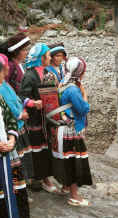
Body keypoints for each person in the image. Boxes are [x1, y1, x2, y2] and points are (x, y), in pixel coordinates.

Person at [49, 57, 92, 206]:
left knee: (66, 160)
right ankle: (74, 196)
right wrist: (85, 95)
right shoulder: (73, 89)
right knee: (74, 161)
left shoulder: (62, 84)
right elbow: (83, 109)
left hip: (61, 128)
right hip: (71, 131)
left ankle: (65, 187)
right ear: (80, 72)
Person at [20, 43, 58, 192]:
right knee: (37, 150)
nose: (50, 58)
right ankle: (41, 179)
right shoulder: (29, 75)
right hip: (34, 120)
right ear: (41, 58)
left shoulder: (47, 72)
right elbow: (21, 96)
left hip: (46, 119)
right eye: (48, 55)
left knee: (46, 147)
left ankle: (45, 176)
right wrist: (32, 102)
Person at [0, 62, 30, 218]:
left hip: (6, 152)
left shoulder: (0, 97)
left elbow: (9, 118)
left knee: (10, 193)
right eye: (2, 73)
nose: (4, 76)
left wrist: (11, 139)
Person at [0, 53, 34, 182]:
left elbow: (15, 102)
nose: (8, 67)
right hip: (9, 134)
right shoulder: (2, 88)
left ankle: (22, 187)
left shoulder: (5, 84)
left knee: (21, 160)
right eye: (5, 66)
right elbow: (9, 108)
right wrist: (20, 114)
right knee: (17, 162)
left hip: (13, 131)